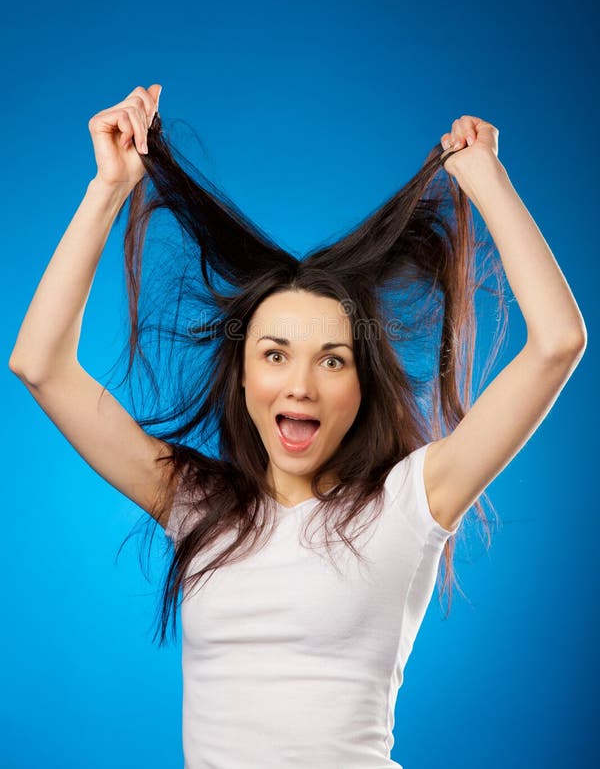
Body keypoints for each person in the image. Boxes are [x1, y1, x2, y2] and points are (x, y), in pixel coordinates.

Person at [9, 84, 587, 768]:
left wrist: (486, 181)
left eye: (332, 360)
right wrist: (110, 189)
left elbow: (557, 343)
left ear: (361, 386)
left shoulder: (409, 503)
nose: (301, 385)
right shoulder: (196, 505)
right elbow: (40, 364)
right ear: (246, 377)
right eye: (275, 354)